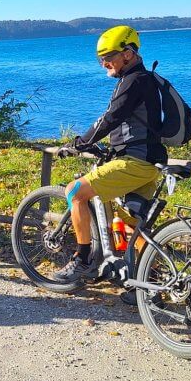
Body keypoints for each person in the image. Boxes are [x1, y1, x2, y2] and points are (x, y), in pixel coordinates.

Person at [53, 25, 167, 304]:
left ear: (128, 54)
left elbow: (111, 118)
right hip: (150, 163)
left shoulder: (133, 81)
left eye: (109, 56)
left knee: (74, 192)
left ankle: (82, 259)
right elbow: (131, 123)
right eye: (100, 58)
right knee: (130, 224)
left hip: (133, 163)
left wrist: (80, 142)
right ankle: (148, 285)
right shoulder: (147, 80)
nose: (104, 63)